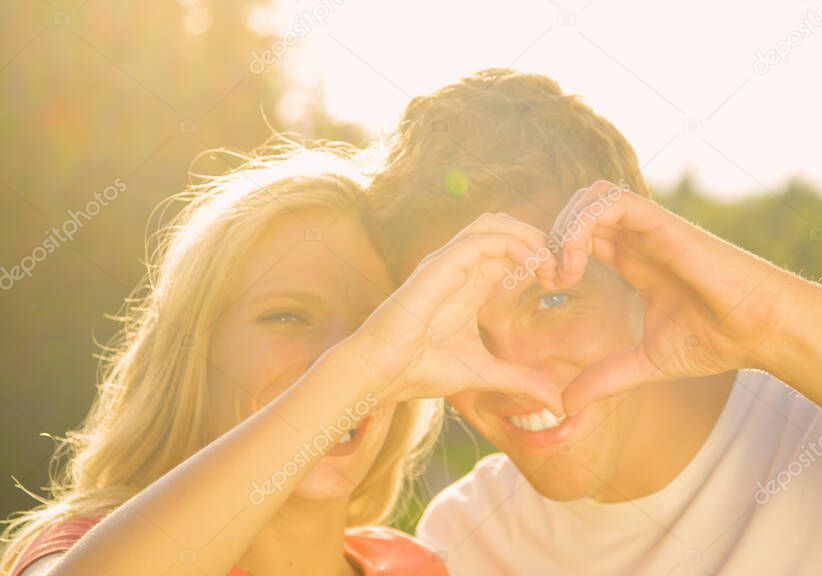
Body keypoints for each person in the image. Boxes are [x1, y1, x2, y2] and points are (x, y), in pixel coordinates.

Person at [365, 68, 822, 575]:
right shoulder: (468, 541)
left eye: (552, 300)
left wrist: (777, 322)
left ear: (640, 271)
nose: (514, 378)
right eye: (459, 329)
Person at [0, 138, 564, 575]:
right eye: (289, 316)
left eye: (378, 326)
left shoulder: (418, 565)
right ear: (191, 353)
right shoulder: (86, 548)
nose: (340, 358)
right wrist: (359, 369)